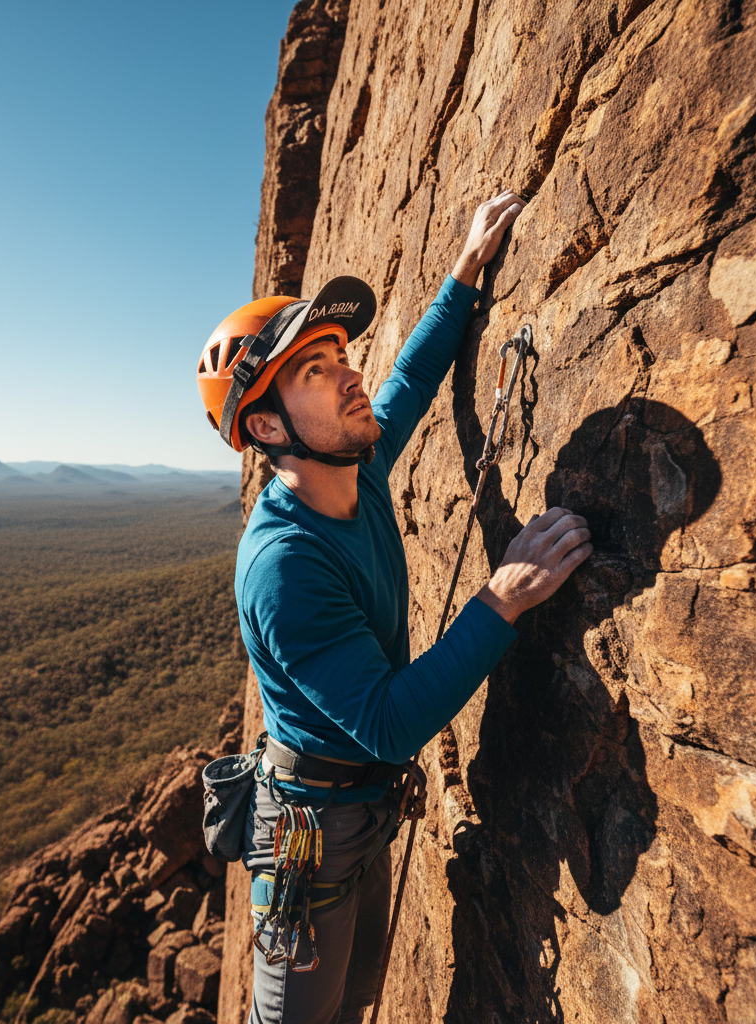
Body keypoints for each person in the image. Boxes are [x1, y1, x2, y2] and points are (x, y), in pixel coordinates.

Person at [195, 192, 593, 1024]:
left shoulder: (355, 467)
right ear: (267, 426)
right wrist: (503, 596)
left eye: (339, 355)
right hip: (311, 835)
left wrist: (464, 272)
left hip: (356, 809)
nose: (350, 375)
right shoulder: (283, 566)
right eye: (316, 370)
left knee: (358, 1000)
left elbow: (410, 377)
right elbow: (385, 721)